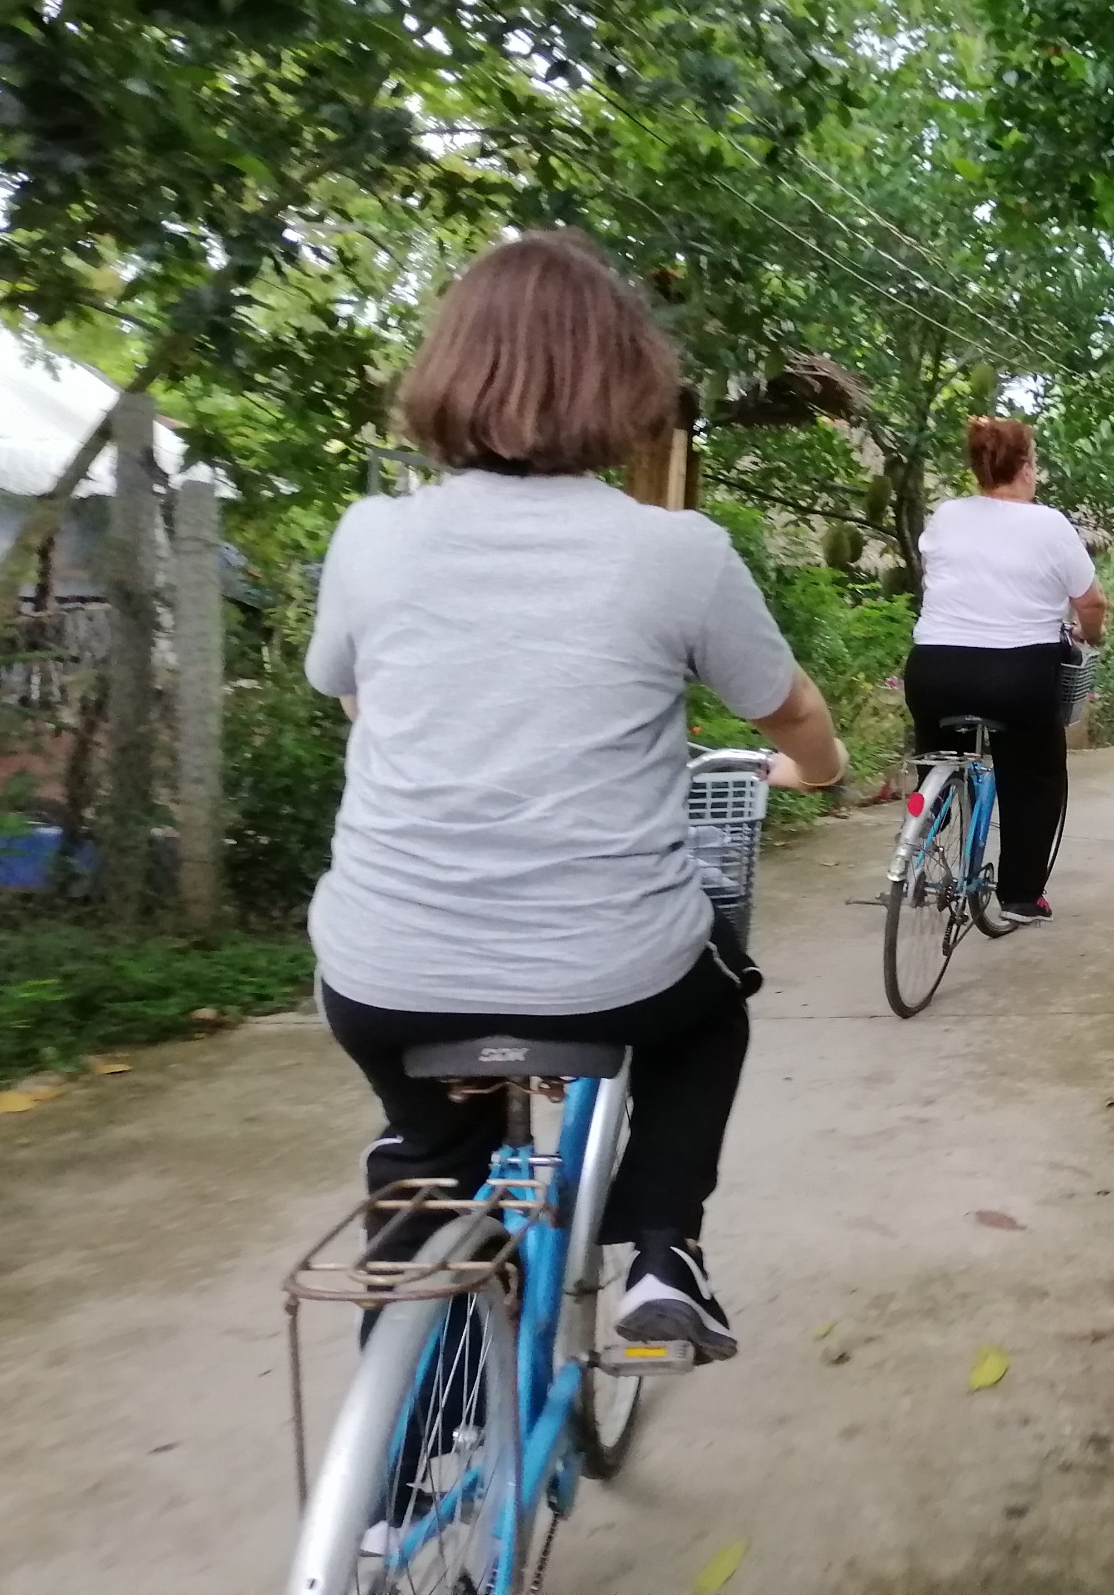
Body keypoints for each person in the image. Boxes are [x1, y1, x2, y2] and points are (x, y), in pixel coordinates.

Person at [305, 230, 848, 1364]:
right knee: (712, 1008)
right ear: (622, 381)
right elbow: (788, 711)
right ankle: (661, 1246)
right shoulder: (676, 552)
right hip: (611, 969)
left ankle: (409, 1444)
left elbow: (354, 696)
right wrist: (822, 769)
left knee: (428, 1152)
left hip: (385, 973)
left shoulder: (372, 539)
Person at [903, 416, 1108, 926]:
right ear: (1026, 468)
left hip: (934, 670)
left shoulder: (946, 515)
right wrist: (1092, 635)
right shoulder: (1049, 525)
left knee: (935, 747)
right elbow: (1091, 603)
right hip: (1018, 676)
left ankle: (926, 830)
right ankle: (1020, 895)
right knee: (1036, 774)